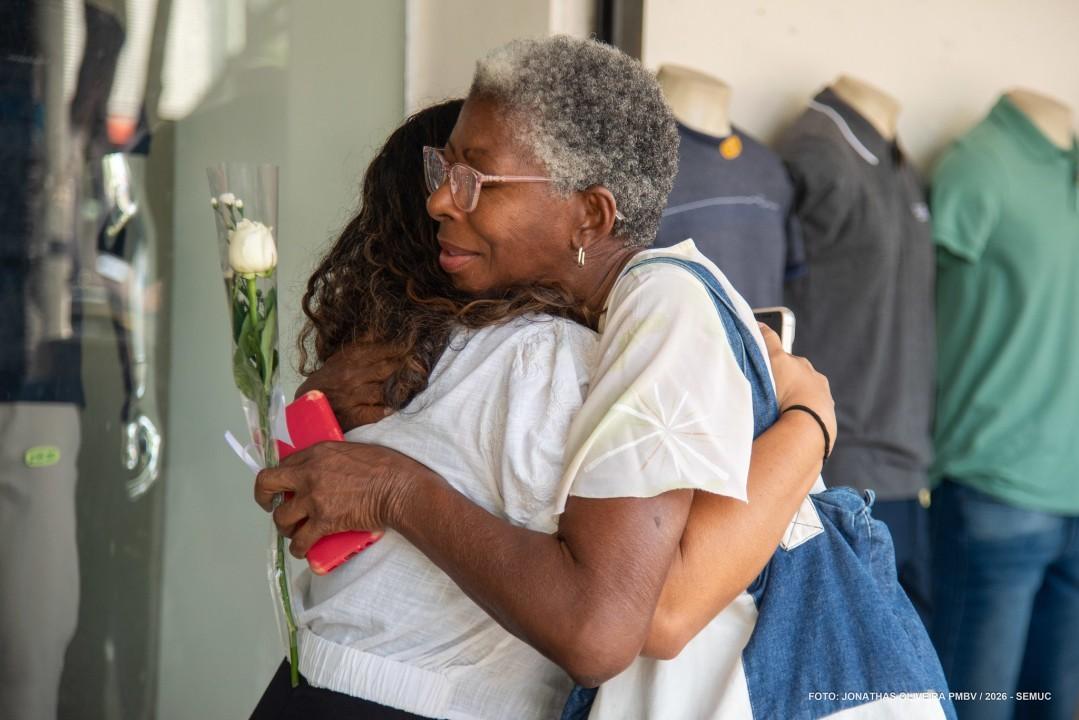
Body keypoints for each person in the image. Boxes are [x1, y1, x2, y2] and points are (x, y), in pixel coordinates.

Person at [256, 37, 846, 719]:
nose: (441, 201)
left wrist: (811, 421)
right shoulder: (475, 348)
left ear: (590, 215)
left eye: (476, 177)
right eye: (442, 168)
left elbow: (621, 622)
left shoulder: (623, 324)